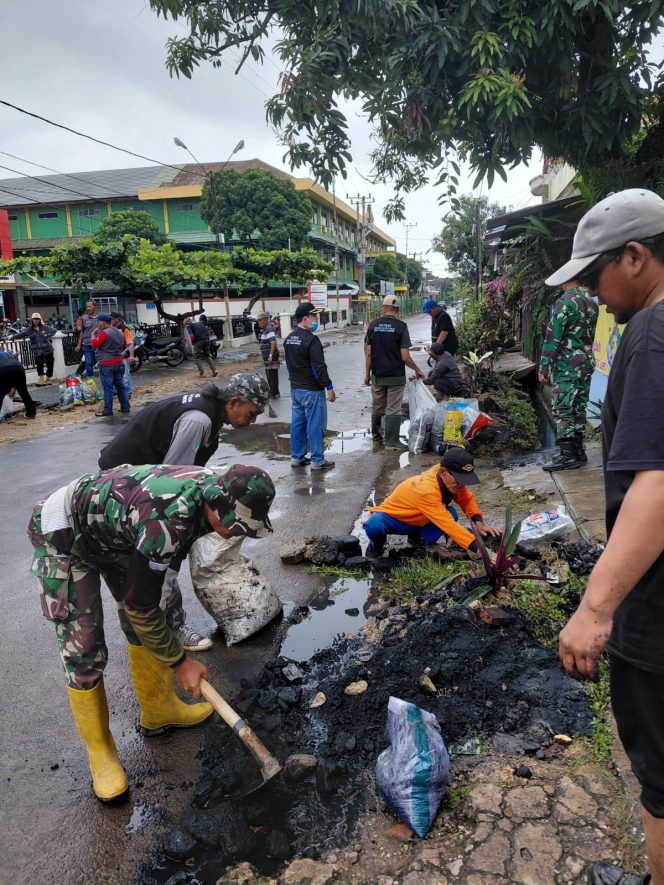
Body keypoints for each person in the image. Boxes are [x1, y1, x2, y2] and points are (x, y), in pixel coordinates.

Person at [27, 462, 275, 803]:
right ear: (215, 502)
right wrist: (179, 662)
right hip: (63, 532)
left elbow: (154, 591)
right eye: (233, 524)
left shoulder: (211, 489)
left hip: (114, 532)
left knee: (157, 610)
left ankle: (159, 710)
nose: (235, 532)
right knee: (83, 643)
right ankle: (101, 752)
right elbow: (140, 607)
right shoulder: (168, 518)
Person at [549, 189, 664, 885]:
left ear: (636, 255)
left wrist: (596, 607)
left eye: (598, 275)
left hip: (657, 609)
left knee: (659, 778)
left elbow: (656, 484)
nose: (595, 292)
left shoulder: (652, 334)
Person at [98, 372, 270, 651]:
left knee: (166, 545)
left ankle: (156, 624)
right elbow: (172, 480)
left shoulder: (209, 415)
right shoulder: (198, 420)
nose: (253, 421)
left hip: (137, 477)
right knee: (164, 547)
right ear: (234, 401)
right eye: (252, 413)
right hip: (125, 481)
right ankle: (167, 628)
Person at [364, 447, 500, 556]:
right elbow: (448, 525)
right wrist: (484, 552)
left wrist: (478, 522)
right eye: (458, 479)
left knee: (451, 513)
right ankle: (376, 546)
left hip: (422, 519)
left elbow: (466, 500)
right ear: (443, 472)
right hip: (396, 519)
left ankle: (419, 540)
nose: (461, 484)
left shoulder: (445, 473)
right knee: (374, 526)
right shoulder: (426, 490)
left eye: (463, 480)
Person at [538, 279, 598, 471]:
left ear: (564, 282)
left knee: (563, 407)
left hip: (568, 365)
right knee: (579, 406)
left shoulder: (564, 302)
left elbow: (552, 337)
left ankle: (567, 455)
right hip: (586, 362)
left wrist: (544, 367)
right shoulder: (591, 303)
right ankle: (578, 451)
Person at [364, 294, 425, 449]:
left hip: (377, 374)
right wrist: (417, 370)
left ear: (383, 307)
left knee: (378, 406)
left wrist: (367, 375)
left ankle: (377, 437)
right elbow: (405, 357)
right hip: (395, 376)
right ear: (398, 309)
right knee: (393, 408)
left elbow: (368, 353)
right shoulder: (401, 327)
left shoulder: (372, 326)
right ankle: (391, 441)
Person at [283, 302, 336, 471]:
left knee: (297, 424)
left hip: (295, 389)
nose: (316, 320)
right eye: (314, 317)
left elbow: (290, 364)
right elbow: (318, 366)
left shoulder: (289, 339)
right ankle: (317, 460)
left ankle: (297, 457)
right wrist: (329, 387)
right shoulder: (311, 340)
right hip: (312, 391)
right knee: (315, 425)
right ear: (305, 319)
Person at [91, 313, 131, 418]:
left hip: (107, 364)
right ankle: (125, 407)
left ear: (103, 322)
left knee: (108, 388)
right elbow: (124, 346)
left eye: (98, 322)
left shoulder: (105, 333)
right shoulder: (119, 332)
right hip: (119, 362)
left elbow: (94, 344)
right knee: (120, 386)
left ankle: (108, 410)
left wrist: (93, 335)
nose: (97, 324)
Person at [12, 312, 56, 386]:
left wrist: (47, 335)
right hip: (37, 350)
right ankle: (41, 379)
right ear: (32, 320)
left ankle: (48, 379)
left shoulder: (45, 327)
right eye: (34, 319)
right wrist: (12, 337)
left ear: (39, 320)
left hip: (48, 349)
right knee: (39, 364)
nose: (36, 320)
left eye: (37, 319)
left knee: (50, 364)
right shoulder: (29, 329)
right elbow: (21, 334)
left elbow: (54, 330)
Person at [0, 348, 36, 418]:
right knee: (23, 392)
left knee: (0, 393)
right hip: (18, 367)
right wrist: (14, 387)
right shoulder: (8, 353)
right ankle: (31, 413)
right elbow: (12, 366)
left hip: (2, 369)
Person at [110, 311, 136, 400]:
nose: (111, 321)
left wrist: (131, 356)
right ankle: (116, 392)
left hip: (124, 356)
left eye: (112, 319)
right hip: (115, 357)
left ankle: (128, 393)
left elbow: (130, 343)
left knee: (125, 376)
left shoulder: (124, 329)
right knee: (115, 376)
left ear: (117, 319)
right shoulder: (112, 329)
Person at [256, 310, 281, 398]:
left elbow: (273, 343)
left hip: (272, 357)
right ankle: (273, 392)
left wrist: (270, 355)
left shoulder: (269, 329)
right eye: (258, 321)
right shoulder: (265, 330)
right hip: (268, 357)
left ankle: (275, 393)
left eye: (260, 320)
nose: (259, 322)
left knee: (272, 375)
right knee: (269, 374)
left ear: (266, 320)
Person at [75, 300, 99, 378]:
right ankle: (90, 380)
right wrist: (79, 344)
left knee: (101, 362)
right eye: (87, 307)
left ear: (95, 306)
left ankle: (104, 378)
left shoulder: (100, 317)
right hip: (87, 344)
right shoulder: (84, 318)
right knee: (88, 363)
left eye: (90, 306)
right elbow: (82, 332)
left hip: (99, 344)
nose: (88, 308)